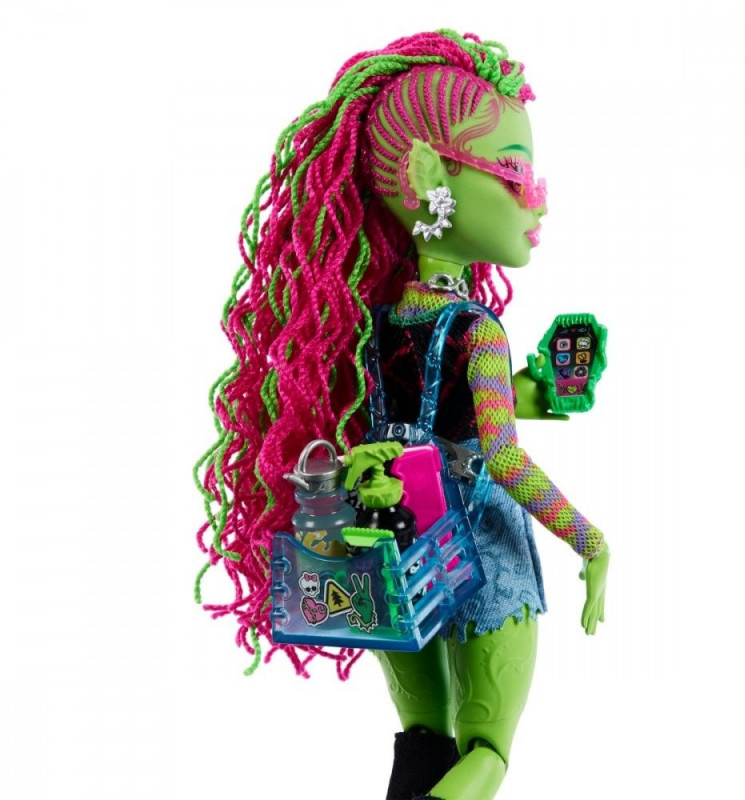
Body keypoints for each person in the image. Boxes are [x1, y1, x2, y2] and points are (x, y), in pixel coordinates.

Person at [195, 29, 610, 800]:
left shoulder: (367, 322)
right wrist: (592, 542)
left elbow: (434, 411)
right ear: (427, 175)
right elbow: (501, 457)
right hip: (480, 550)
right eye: (513, 171)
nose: (536, 196)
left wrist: (534, 393)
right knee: (485, 751)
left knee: (423, 740)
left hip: (392, 551)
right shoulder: (477, 328)